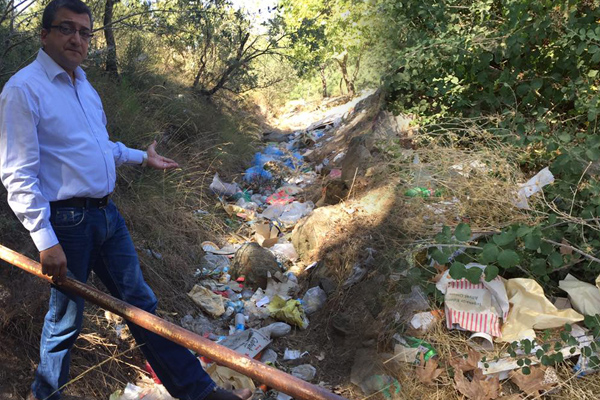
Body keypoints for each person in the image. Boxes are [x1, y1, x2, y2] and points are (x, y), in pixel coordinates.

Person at [0, 1, 252, 399]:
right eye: (66, 29)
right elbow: (17, 173)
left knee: (142, 306)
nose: (77, 39)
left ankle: (199, 392)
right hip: (67, 224)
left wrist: (142, 157)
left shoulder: (84, 86)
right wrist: (45, 239)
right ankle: (44, 394)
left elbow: (101, 147)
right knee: (65, 320)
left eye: (85, 32)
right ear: (44, 34)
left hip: (106, 216)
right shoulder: (23, 89)